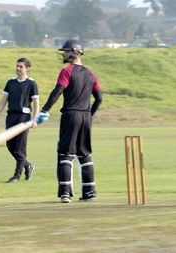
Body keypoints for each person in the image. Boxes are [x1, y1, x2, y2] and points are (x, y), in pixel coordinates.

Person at [38, 39, 103, 203]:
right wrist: (91, 115)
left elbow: (57, 91)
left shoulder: (67, 71)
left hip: (71, 115)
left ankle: (65, 193)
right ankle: (89, 193)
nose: (64, 54)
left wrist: (44, 110)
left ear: (75, 52)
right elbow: (99, 98)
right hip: (85, 116)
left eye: (66, 51)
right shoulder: (91, 74)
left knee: (65, 153)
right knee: (84, 154)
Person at [0, 58, 39, 183]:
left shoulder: (31, 83)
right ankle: (28, 165)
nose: (18, 68)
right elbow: (4, 100)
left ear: (27, 68)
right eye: (17, 66)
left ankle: (16, 176)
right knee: (10, 145)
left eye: (21, 67)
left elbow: (36, 102)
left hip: (24, 118)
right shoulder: (11, 82)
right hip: (11, 117)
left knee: (20, 148)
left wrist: (35, 119)